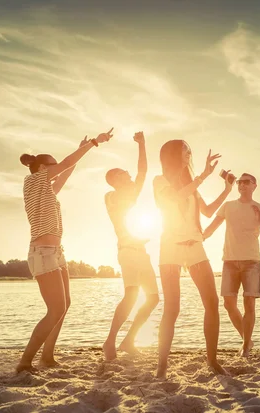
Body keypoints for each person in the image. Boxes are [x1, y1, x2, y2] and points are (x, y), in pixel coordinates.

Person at [16, 128, 113, 373]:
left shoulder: (45, 189)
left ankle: (47, 356)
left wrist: (80, 150)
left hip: (57, 252)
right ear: (41, 168)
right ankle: (25, 362)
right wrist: (93, 143)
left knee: (65, 304)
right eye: (52, 165)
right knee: (55, 309)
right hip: (43, 252)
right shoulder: (33, 181)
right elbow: (68, 162)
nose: (56, 168)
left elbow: (66, 170)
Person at [153, 140, 231, 378]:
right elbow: (175, 198)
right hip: (171, 249)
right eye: (185, 149)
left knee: (212, 303)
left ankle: (212, 360)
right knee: (172, 309)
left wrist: (227, 190)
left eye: (190, 149)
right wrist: (203, 176)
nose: (189, 153)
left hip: (195, 247)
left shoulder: (191, 185)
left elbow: (207, 212)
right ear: (173, 154)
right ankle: (162, 365)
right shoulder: (160, 181)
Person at [203, 172, 260, 357]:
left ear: (254, 185)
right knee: (229, 304)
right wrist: (198, 238)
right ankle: (247, 339)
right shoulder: (228, 206)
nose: (242, 185)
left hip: (251, 261)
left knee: (249, 305)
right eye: (239, 182)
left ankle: (245, 347)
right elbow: (212, 227)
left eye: (246, 182)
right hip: (229, 261)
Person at [102, 131, 159, 360]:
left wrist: (142, 145)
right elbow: (137, 179)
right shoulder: (111, 196)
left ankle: (128, 340)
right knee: (131, 296)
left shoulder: (131, 193)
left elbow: (143, 171)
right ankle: (110, 342)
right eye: (123, 174)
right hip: (127, 252)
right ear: (114, 180)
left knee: (153, 298)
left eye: (127, 173)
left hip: (141, 252)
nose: (128, 175)